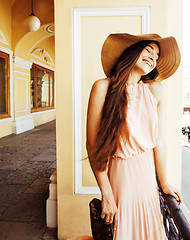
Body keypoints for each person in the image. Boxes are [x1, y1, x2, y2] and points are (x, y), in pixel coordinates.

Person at [68, 33, 182, 240]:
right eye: (148, 50)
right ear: (131, 53)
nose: (153, 57)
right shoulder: (102, 87)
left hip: (147, 180)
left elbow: (160, 141)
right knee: (123, 232)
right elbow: (92, 145)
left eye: (156, 56)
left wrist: (164, 183)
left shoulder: (156, 91)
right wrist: (107, 193)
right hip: (120, 178)